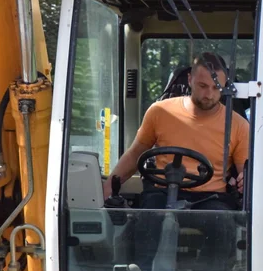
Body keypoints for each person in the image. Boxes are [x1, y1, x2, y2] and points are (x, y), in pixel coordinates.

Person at [102, 52, 249, 206]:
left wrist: (244, 181)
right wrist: (107, 188)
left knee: (223, 223)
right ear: (190, 80)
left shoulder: (238, 125)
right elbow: (134, 155)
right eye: (203, 86)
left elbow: (245, 173)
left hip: (212, 198)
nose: (209, 95)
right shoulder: (160, 112)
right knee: (148, 218)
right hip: (161, 192)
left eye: (216, 87)